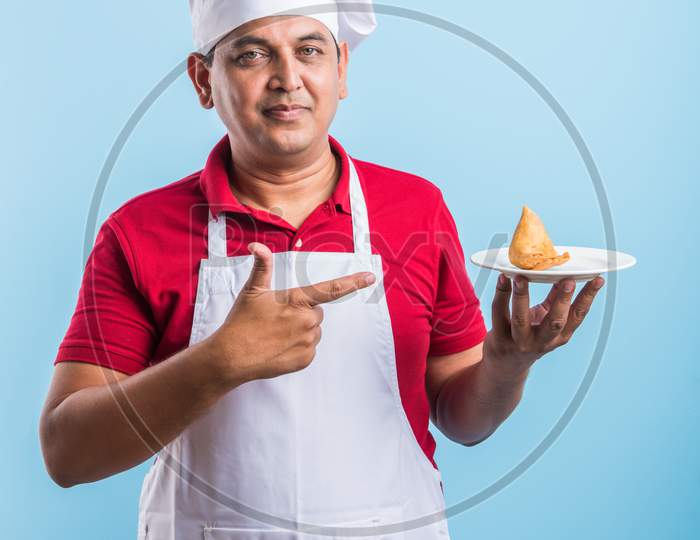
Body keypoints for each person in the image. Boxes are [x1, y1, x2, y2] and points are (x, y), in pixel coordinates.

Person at [39, 1, 606, 538]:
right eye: (251, 54)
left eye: (310, 50)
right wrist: (215, 364)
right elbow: (67, 453)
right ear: (202, 80)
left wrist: (507, 365)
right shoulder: (138, 231)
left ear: (342, 70)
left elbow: (462, 420)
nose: (288, 78)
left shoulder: (417, 209)